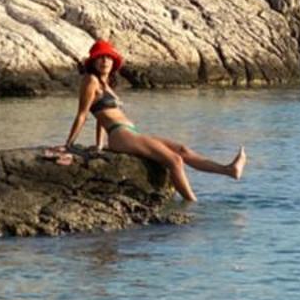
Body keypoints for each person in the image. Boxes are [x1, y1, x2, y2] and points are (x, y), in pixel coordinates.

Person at [51, 38, 246, 204]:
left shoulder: (106, 84)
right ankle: (192, 203)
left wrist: (100, 145)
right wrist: (69, 145)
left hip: (130, 132)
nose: (105, 61)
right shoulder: (90, 80)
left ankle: (229, 170)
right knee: (174, 160)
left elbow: (100, 114)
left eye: (108, 57)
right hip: (120, 134)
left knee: (182, 150)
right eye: (100, 57)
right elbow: (84, 113)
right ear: (93, 61)